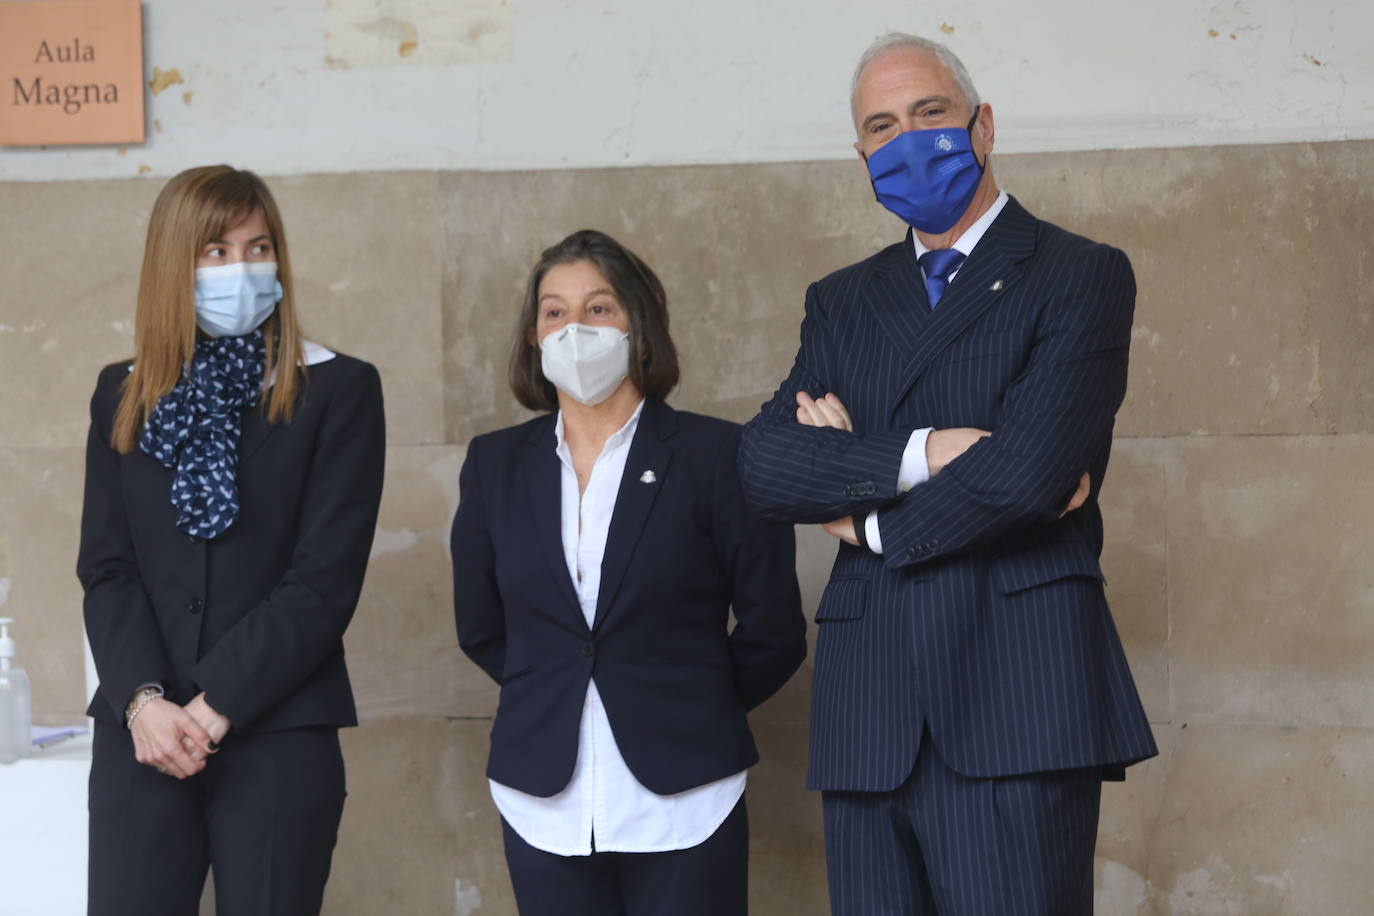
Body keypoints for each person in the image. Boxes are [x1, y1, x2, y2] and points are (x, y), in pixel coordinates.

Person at [738, 33, 1158, 915]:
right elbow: (765, 464)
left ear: (983, 126)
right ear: (862, 157)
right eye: (880, 127)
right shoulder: (843, 300)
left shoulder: (1079, 274)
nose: (907, 139)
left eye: (929, 113)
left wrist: (869, 521)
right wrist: (921, 452)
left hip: (1016, 696)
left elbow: (1031, 471)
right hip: (870, 709)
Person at [452, 229, 806, 916]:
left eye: (599, 308)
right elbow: (481, 626)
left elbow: (774, 630)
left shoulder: (717, 455)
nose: (573, 329)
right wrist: (559, 687)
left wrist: (692, 701)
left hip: (687, 795)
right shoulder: (494, 465)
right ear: (533, 335)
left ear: (638, 326)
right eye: (554, 312)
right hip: (541, 798)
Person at [76, 165, 386, 916]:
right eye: (215, 251)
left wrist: (216, 707)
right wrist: (146, 703)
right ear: (173, 264)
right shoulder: (122, 391)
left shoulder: (339, 389)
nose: (241, 268)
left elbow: (323, 580)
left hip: (278, 732)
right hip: (141, 737)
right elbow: (108, 568)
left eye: (258, 247)